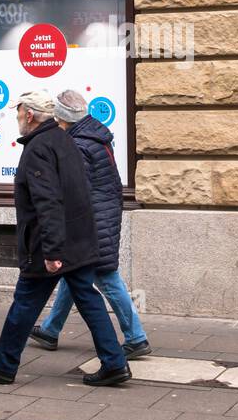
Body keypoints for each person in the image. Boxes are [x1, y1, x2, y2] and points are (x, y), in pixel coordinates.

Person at [0, 89, 131, 387]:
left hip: (50, 244)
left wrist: (53, 251)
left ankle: (3, 364)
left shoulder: (39, 148)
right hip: (78, 239)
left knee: (26, 301)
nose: (17, 118)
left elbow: (49, 201)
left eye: (18, 112)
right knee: (88, 299)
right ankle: (115, 362)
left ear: (29, 114)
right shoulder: (63, 139)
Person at [28, 90, 151, 358]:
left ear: (62, 118)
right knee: (74, 275)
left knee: (106, 277)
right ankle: (50, 330)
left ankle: (136, 337)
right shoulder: (96, 135)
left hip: (91, 221)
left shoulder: (78, 144)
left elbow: (74, 190)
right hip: (103, 214)